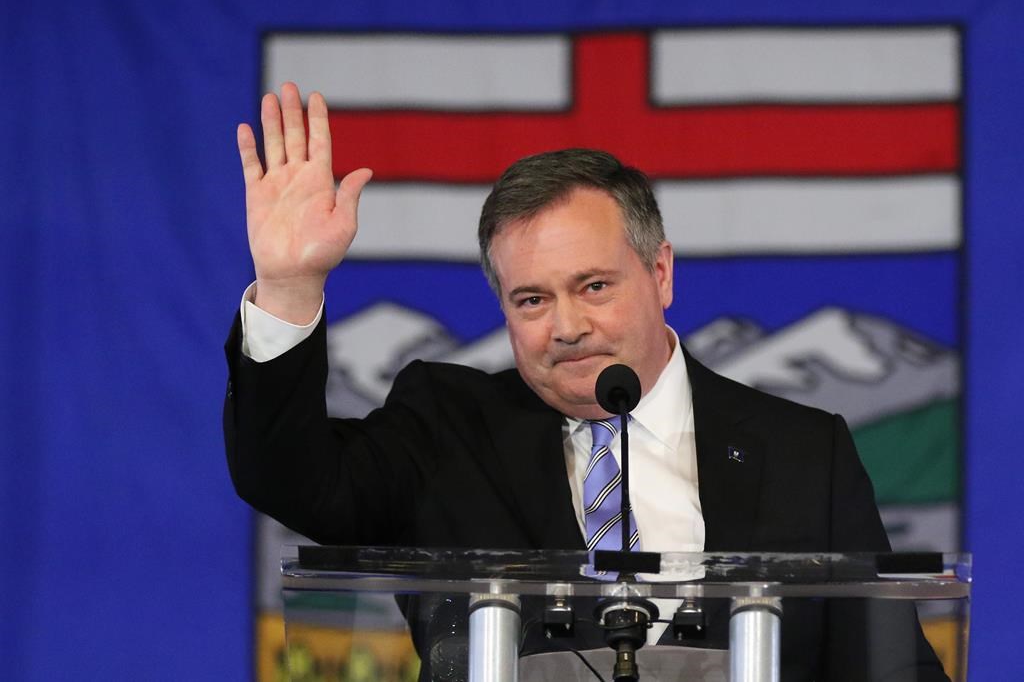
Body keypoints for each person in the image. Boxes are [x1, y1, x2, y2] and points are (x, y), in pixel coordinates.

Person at [224, 83, 948, 680]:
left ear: (660, 273)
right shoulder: (447, 428)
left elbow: (891, 666)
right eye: (531, 299)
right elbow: (290, 479)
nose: (565, 325)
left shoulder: (805, 453)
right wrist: (289, 286)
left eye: (594, 285)